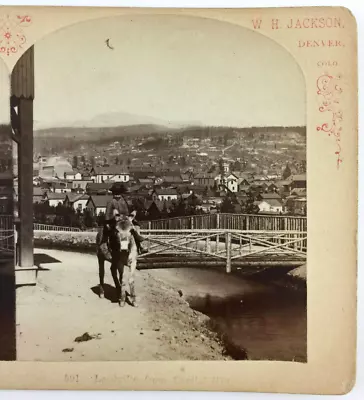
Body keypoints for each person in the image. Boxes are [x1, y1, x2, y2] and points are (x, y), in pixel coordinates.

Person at [103, 182, 148, 255]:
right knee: (110, 232)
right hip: (114, 221)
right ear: (113, 193)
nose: (117, 195)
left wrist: (129, 217)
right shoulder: (110, 202)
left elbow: (127, 212)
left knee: (134, 228)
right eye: (115, 193)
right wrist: (108, 222)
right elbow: (107, 215)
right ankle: (106, 248)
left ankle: (140, 245)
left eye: (118, 193)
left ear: (121, 193)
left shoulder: (124, 201)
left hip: (124, 220)